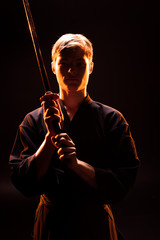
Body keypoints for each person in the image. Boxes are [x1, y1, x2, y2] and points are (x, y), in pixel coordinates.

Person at [9, 33, 139, 240]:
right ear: (53, 67)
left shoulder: (113, 119)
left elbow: (123, 182)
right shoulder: (33, 120)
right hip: (50, 226)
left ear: (91, 67)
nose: (72, 71)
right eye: (64, 64)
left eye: (80, 63)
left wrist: (76, 165)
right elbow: (22, 181)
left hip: (96, 225)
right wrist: (49, 141)